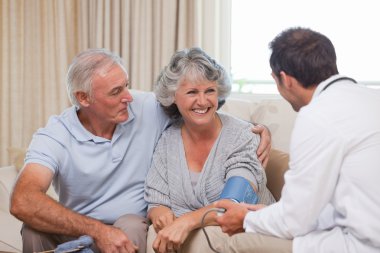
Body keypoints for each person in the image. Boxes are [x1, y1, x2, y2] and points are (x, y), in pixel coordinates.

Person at [9, 48, 272, 253]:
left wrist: (257, 129)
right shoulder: (56, 134)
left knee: (132, 225)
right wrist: (102, 231)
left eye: (126, 85)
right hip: (80, 225)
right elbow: (23, 200)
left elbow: (207, 115)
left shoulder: (145, 109)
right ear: (84, 98)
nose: (129, 96)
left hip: (129, 225)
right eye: (116, 91)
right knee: (33, 231)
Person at [215, 27, 380, 253]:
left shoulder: (318, 116)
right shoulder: (371, 98)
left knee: (238, 244)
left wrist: (246, 219)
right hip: (364, 229)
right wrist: (266, 214)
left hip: (363, 245)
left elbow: (295, 219)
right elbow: (348, 200)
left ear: (286, 79)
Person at [144, 47, 275, 253]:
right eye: (192, 92)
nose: (203, 101)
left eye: (210, 91)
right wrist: (160, 214)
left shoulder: (243, 136)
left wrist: (185, 222)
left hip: (243, 233)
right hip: (193, 234)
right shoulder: (167, 140)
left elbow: (234, 203)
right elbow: (156, 199)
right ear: (173, 97)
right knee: (156, 235)